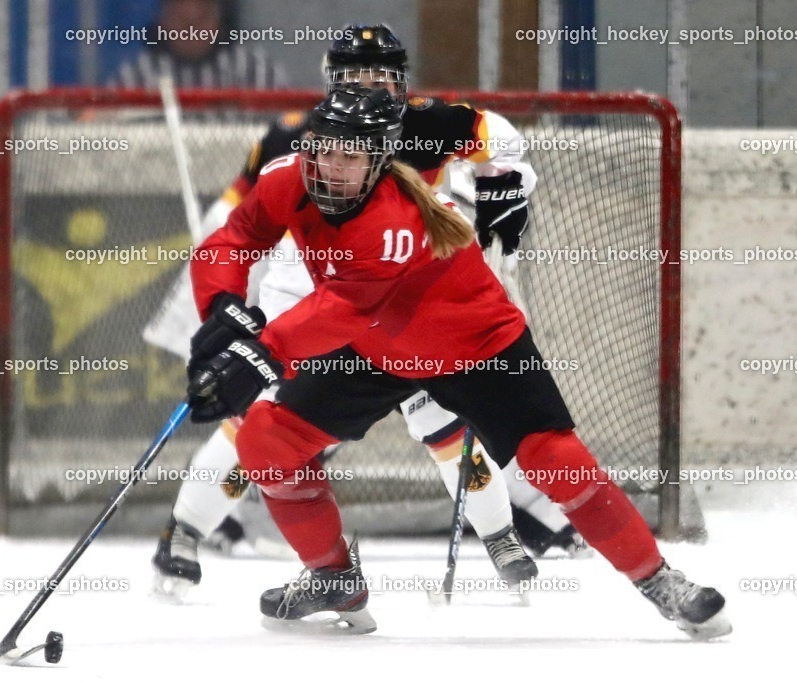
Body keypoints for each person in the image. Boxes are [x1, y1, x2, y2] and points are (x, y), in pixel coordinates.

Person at [183, 85, 732, 640]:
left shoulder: (392, 222)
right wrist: (222, 308)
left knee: (553, 459)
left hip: (473, 343)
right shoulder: (289, 178)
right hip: (378, 347)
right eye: (322, 149)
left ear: (379, 162)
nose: (328, 166)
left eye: (348, 156)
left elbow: (344, 307)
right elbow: (234, 240)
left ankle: (659, 580)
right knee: (265, 439)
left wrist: (260, 351)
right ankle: (332, 577)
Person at [147, 24, 584, 600]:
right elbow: (235, 221)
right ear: (333, 82)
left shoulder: (424, 121)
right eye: (357, 74)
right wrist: (220, 300)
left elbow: (499, 140)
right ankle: (185, 531)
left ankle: (501, 535)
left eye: (384, 74)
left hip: (405, 302)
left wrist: (504, 185)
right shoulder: (296, 137)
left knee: (442, 419)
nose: (372, 84)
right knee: (257, 415)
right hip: (311, 298)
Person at [109, 0, 287, 90]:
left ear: (218, 19)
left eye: (201, 20)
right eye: (182, 22)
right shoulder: (136, 77)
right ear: (163, 20)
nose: (192, 33)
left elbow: (288, 128)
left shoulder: (256, 72)